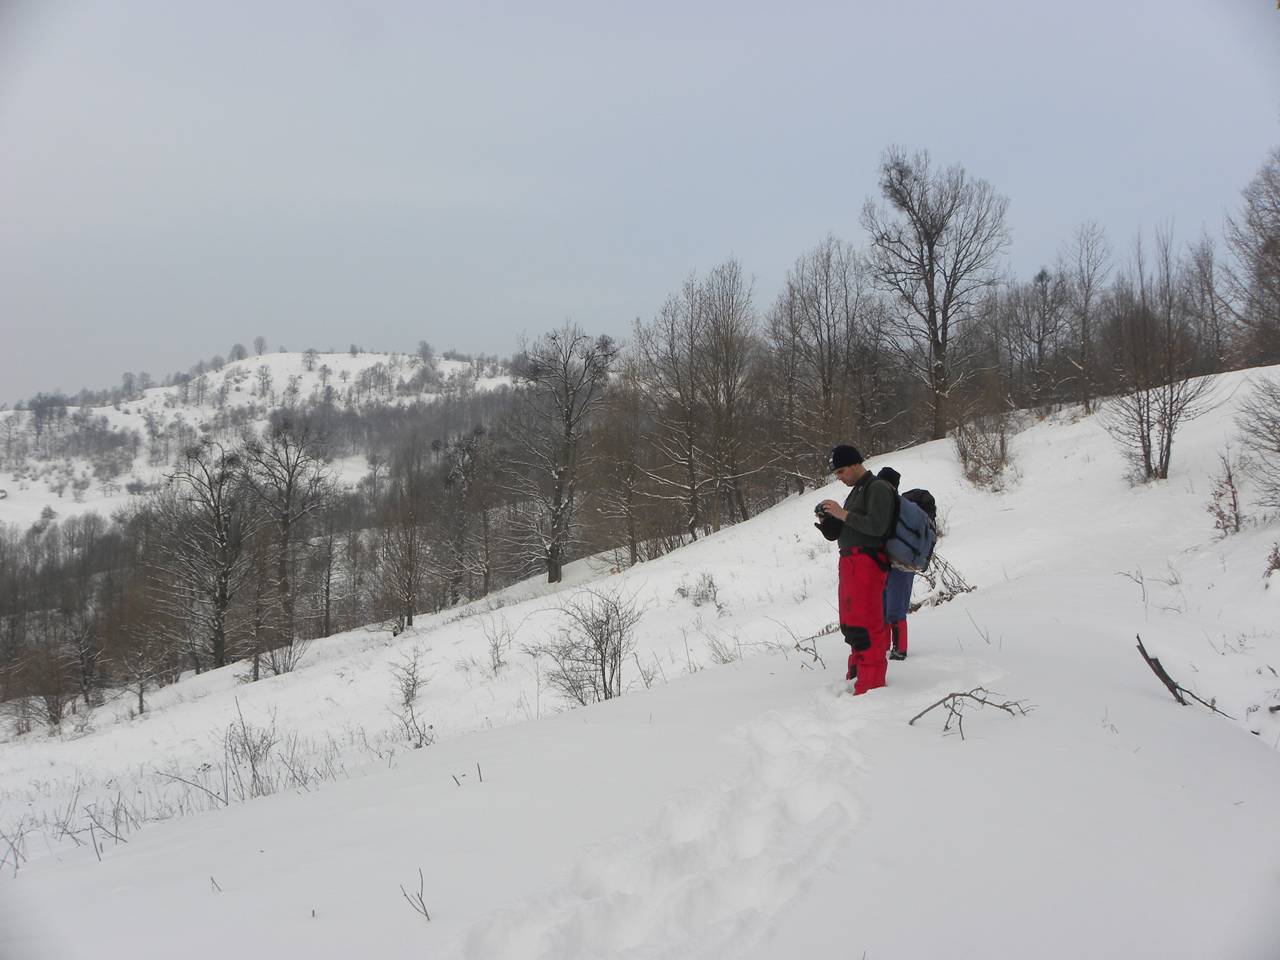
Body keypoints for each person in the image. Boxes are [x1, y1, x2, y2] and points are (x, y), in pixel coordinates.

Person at [816, 444, 896, 694]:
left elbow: (877, 527)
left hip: (868, 563)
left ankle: (871, 685)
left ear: (855, 464)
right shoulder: (857, 491)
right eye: (836, 473)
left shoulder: (878, 487)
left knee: (866, 624)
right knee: (851, 624)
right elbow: (850, 527)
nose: (839, 478)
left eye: (841, 471)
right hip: (851, 563)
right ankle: (857, 675)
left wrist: (842, 514)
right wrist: (829, 522)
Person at [876, 467, 913, 661]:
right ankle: (883, 647)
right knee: (883, 607)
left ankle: (899, 650)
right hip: (886, 562)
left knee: (895, 608)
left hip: (900, 563)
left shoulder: (899, 506)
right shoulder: (886, 505)